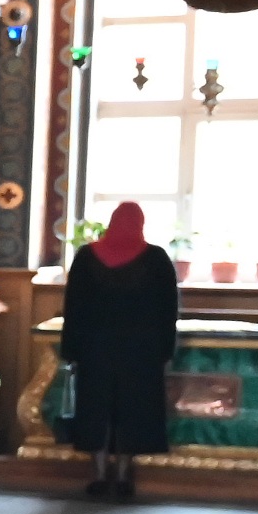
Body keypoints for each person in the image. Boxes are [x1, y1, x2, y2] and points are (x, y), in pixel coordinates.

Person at [62, 199, 179, 498]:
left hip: (94, 349)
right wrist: (165, 351)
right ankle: (125, 475)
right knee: (133, 410)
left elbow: (73, 308)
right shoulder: (156, 258)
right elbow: (168, 311)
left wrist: (70, 351)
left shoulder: (87, 256)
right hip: (141, 352)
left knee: (95, 410)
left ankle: (100, 474)